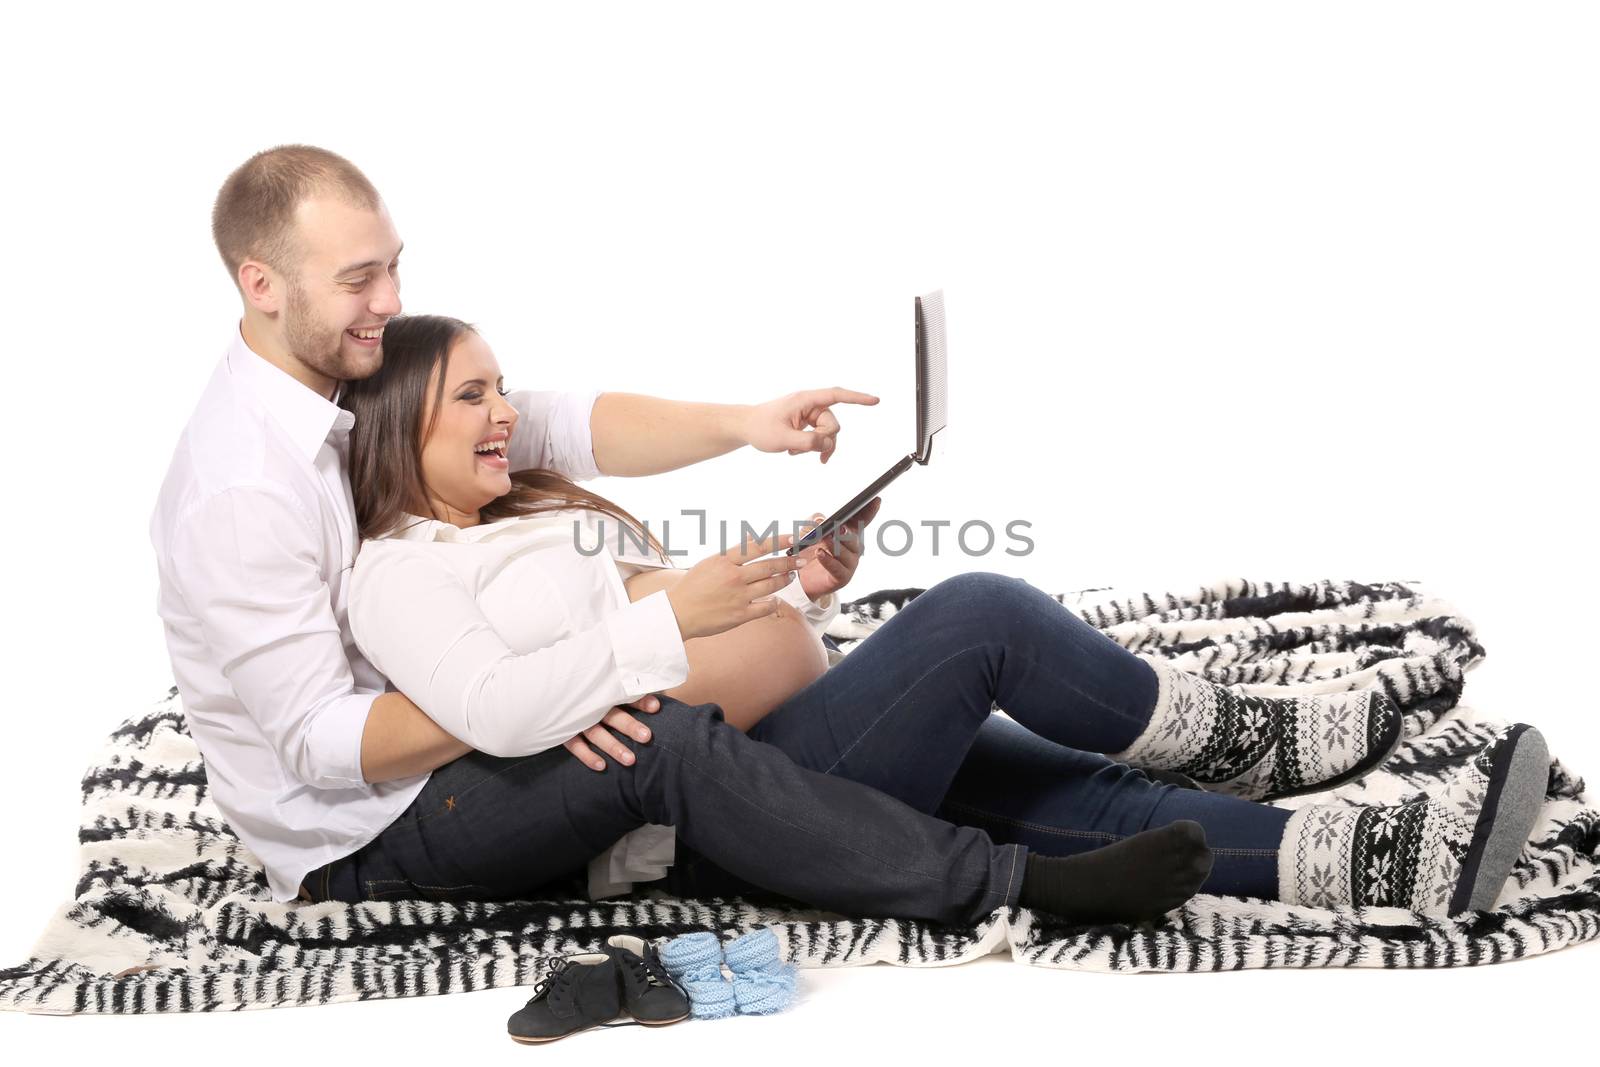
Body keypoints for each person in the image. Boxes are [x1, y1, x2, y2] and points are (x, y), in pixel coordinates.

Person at [322, 311, 1552, 923]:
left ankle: (1374, 859)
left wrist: (785, 590)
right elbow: (495, 704)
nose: (504, 414)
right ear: (395, 429)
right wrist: (676, 624)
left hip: (783, 723)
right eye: (471, 397)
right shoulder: (395, 568)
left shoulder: (515, 516)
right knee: (978, 615)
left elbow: (634, 616)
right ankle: (1247, 736)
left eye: (499, 388)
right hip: (740, 793)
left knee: (1065, 787)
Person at [146, 143, 906, 911]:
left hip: (456, 738)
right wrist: (542, 693)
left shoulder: (345, 367)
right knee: (680, 739)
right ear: (261, 284)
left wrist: (747, 423)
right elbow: (320, 740)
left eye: (392, 267)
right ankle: (986, 875)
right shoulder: (240, 490)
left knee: (937, 676)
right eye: (357, 280)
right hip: (364, 835)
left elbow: (558, 427)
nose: (390, 300)